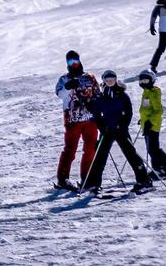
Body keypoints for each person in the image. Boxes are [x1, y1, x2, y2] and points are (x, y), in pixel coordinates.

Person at [85, 71, 152, 193]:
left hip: (120, 130)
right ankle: (94, 184)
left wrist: (123, 125)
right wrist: (102, 126)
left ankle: (144, 180)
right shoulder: (101, 96)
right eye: (107, 79)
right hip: (107, 130)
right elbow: (96, 113)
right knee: (100, 156)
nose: (110, 81)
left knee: (131, 154)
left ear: (116, 79)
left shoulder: (122, 95)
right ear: (104, 81)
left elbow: (128, 112)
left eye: (112, 79)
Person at [54, 50, 100, 190]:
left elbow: (97, 93)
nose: (73, 64)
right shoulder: (64, 79)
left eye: (75, 61)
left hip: (90, 119)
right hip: (73, 120)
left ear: (79, 61)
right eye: (70, 62)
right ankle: (63, 179)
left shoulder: (89, 77)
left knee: (90, 149)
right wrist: (68, 88)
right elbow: (59, 94)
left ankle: (86, 178)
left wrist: (98, 108)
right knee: (70, 149)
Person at [137, 70, 166, 178]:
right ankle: (157, 169)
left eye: (146, 80)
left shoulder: (153, 92)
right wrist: (143, 120)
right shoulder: (146, 92)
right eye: (142, 80)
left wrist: (150, 122)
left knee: (153, 149)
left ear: (152, 80)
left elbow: (158, 110)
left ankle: (162, 169)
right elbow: (147, 109)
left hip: (153, 125)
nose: (144, 83)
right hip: (147, 124)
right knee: (151, 149)